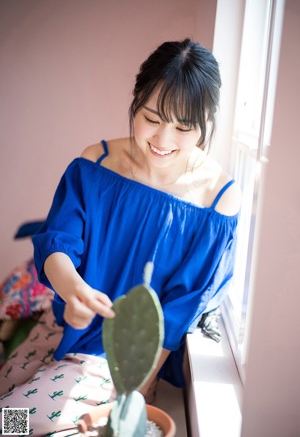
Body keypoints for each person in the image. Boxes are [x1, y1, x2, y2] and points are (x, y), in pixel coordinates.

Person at [0, 38, 241, 436]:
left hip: (113, 362)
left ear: (206, 122)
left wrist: (140, 383)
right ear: (136, 101)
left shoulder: (217, 201)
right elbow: (57, 243)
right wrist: (74, 290)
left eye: (183, 128)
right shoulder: (95, 163)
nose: (163, 141)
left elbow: (181, 308)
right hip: (57, 327)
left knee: (9, 423)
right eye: (151, 118)